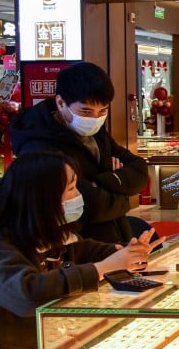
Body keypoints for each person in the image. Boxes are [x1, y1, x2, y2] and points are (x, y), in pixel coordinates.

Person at [0, 151, 160, 349]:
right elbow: (28, 295)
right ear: (40, 197)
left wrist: (123, 253)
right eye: (71, 188)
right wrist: (105, 267)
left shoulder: (41, 232)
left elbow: (81, 250)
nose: (78, 196)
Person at [10, 62, 149, 244]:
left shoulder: (95, 131)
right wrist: (123, 195)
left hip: (115, 238)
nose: (95, 118)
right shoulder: (38, 144)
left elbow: (139, 170)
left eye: (103, 111)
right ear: (61, 103)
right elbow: (89, 205)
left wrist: (101, 181)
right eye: (86, 111)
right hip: (76, 248)